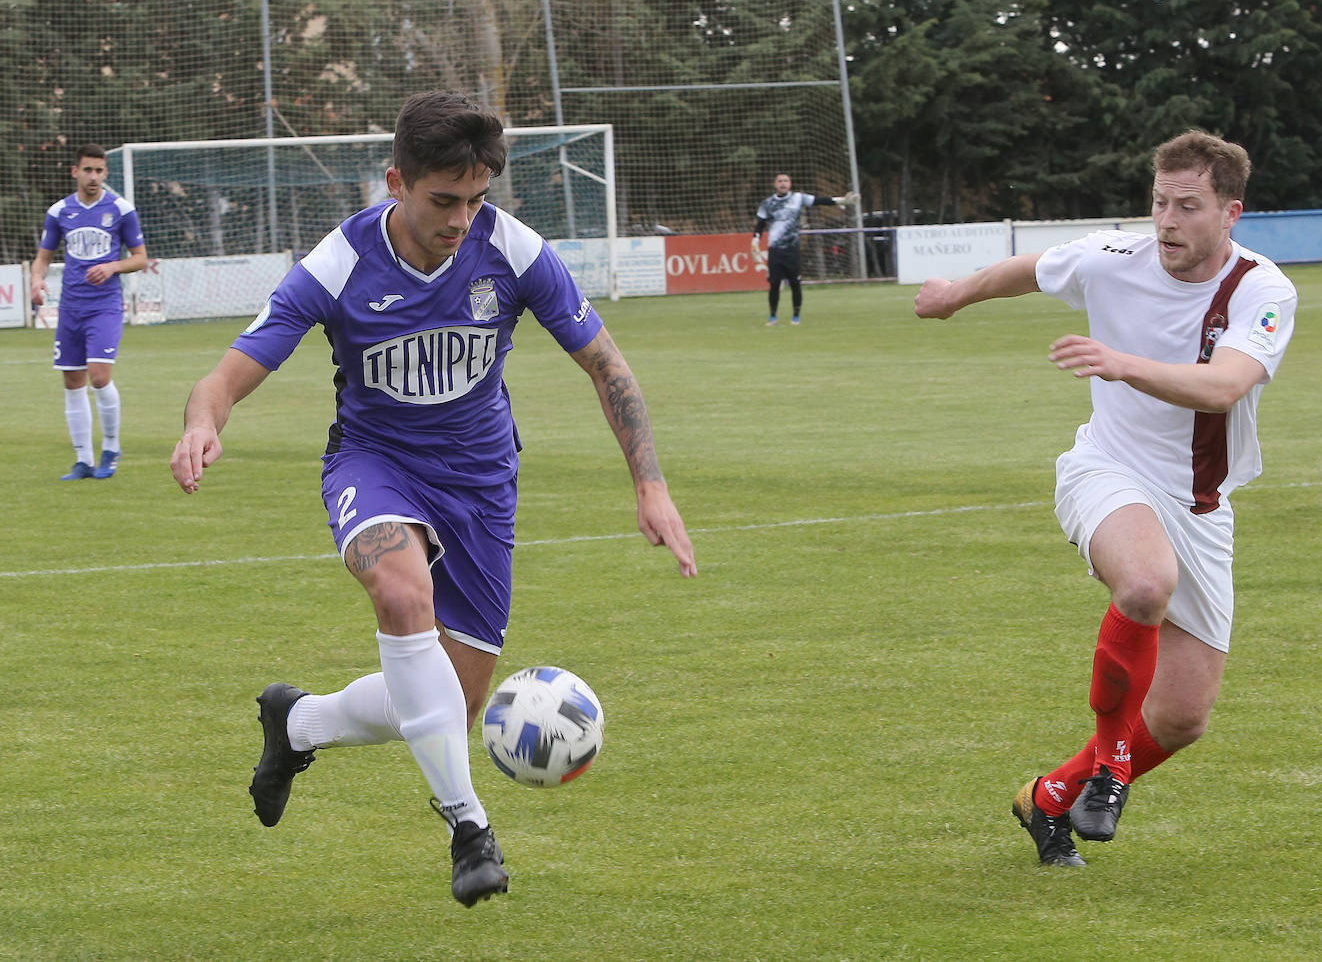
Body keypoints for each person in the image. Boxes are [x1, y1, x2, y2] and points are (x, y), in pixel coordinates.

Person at [169, 90, 697, 906]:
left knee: (454, 697)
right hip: (373, 463)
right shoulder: (341, 264)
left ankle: (297, 723)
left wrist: (651, 485)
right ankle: (467, 825)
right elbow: (228, 374)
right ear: (396, 182)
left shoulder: (514, 251)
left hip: (482, 478)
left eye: (476, 199)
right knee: (399, 589)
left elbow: (609, 366)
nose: (460, 219)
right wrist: (203, 423)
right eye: (443, 199)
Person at [914, 130, 1297, 867]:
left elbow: (1224, 385)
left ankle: (1049, 796)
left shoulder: (1263, 289)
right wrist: (954, 296)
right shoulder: (1114, 256)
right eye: (1159, 202)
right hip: (1107, 471)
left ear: (1231, 213)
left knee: (1184, 717)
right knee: (1145, 581)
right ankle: (1112, 768)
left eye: (1189, 206)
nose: (1167, 221)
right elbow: (1030, 269)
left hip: (1201, 506)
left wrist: (1121, 362)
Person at [32, 143, 148, 480]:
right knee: (72, 380)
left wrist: (113, 267)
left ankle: (111, 448)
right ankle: (83, 459)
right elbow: (43, 255)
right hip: (71, 307)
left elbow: (140, 257)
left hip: (105, 306)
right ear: (75, 172)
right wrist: (36, 281)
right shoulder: (59, 212)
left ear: (105, 173)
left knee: (99, 377)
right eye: (88, 170)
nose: (94, 177)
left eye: (99, 171)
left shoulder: (121, 209)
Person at [751, 173, 857, 326]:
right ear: (775, 184)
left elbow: (819, 201)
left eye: (786, 181)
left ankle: (796, 316)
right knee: (774, 284)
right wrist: (755, 241)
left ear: (790, 183)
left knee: (795, 283)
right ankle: (773, 316)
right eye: (780, 181)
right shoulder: (767, 204)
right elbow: (760, 225)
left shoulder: (798, 198)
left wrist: (842, 200)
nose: (783, 183)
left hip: (792, 248)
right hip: (775, 249)